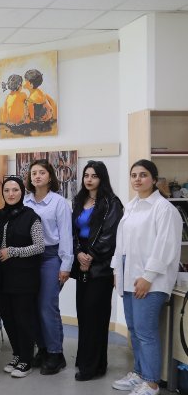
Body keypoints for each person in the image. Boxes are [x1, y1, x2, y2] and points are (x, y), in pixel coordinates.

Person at [111, 159, 182, 395]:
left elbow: (166, 247)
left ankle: (152, 385)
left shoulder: (163, 209)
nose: (137, 179)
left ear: (153, 179)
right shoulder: (131, 207)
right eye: (134, 175)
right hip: (129, 277)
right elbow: (121, 244)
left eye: (143, 175)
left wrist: (148, 277)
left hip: (150, 281)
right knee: (134, 329)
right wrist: (116, 271)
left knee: (145, 332)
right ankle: (140, 374)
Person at [71, 161, 123, 381]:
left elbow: (110, 235)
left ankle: (91, 367)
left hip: (100, 265)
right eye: (86, 175)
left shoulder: (112, 202)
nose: (89, 179)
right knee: (84, 315)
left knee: (96, 316)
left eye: (94, 175)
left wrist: (90, 255)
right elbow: (72, 232)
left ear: (102, 178)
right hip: (81, 263)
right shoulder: (78, 200)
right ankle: (92, 361)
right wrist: (78, 254)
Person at [24, 159, 73, 375]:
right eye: (34, 172)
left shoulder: (59, 202)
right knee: (32, 306)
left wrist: (66, 265)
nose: (37, 176)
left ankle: (56, 353)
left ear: (50, 176)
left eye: (41, 172)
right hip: (28, 258)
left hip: (51, 257)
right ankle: (42, 349)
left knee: (47, 306)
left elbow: (66, 235)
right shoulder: (25, 201)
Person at [0, 177, 44, 378]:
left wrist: (13, 251)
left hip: (24, 277)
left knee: (24, 318)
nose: (11, 194)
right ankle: (17, 354)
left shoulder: (31, 217)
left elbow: (39, 246)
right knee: (7, 317)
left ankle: (26, 359)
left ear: (22, 192)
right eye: (7, 190)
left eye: (15, 190)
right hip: (2, 276)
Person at [23, 69, 57, 133]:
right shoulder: (42, 93)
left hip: (36, 125)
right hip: (47, 122)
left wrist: (26, 123)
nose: (23, 82)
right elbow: (51, 106)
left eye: (25, 80)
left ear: (31, 85)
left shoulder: (29, 100)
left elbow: (28, 118)